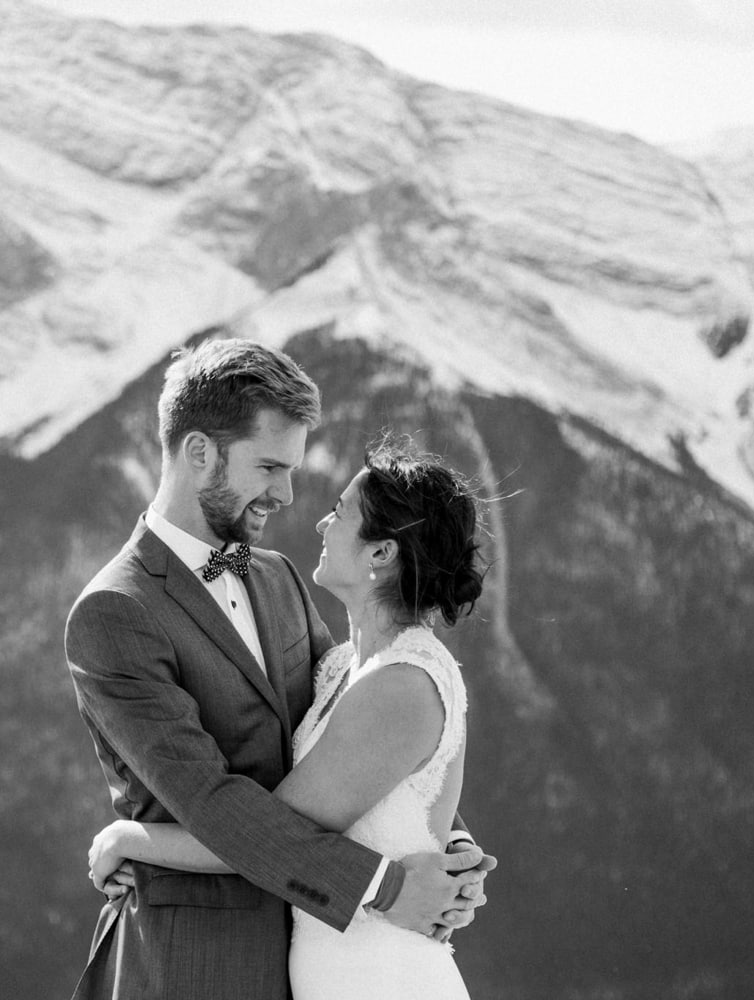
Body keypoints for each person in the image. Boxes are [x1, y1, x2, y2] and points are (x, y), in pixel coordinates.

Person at [64, 339, 493, 1000]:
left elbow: (360, 729)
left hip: (326, 960)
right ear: (199, 452)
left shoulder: (278, 578)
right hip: (199, 967)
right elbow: (214, 804)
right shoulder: (115, 612)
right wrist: (390, 885)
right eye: (268, 467)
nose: (288, 494)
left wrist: (446, 848)